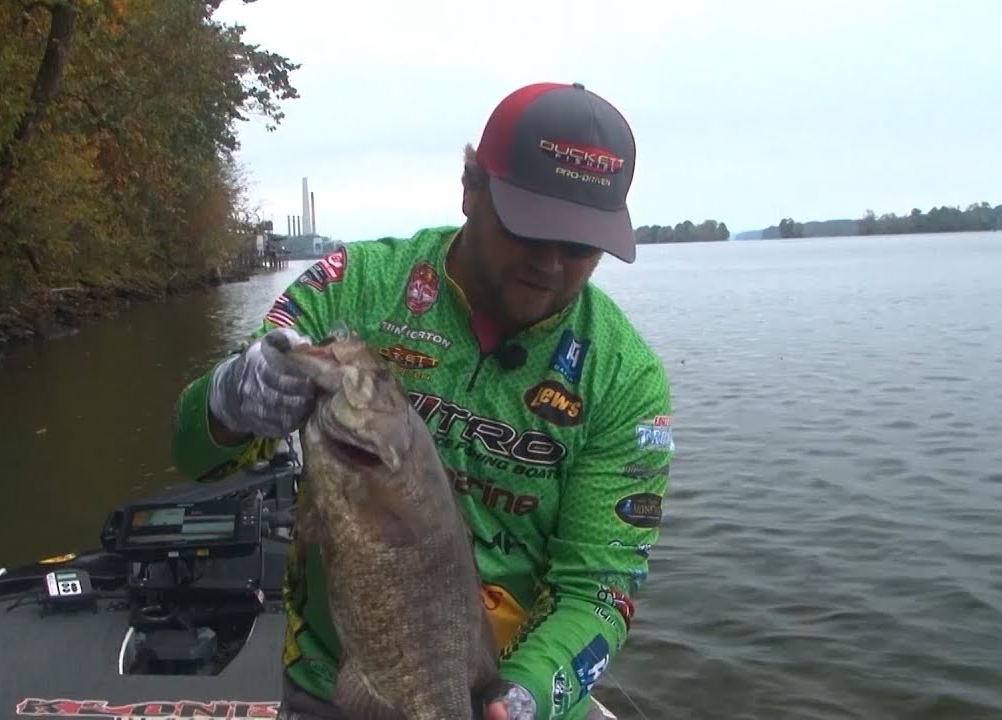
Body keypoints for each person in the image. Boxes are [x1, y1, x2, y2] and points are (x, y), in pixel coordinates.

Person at [169, 81, 674, 720]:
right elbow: (194, 456)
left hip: (516, 691)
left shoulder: (624, 378)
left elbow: (598, 591)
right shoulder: (355, 289)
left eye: (578, 246)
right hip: (340, 682)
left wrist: (521, 697)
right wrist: (224, 405)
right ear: (470, 189)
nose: (550, 263)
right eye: (528, 227)